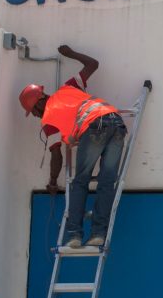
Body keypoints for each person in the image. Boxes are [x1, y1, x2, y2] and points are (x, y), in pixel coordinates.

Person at [19, 45, 127, 248]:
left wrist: (52, 181)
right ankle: (98, 234)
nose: (34, 115)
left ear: (40, 100)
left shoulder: (48, 121)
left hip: (95, 128)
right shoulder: (70, 87)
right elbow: (92, 64)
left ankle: (75, 235)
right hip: (117, 124)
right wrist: (71, 54)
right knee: (106, 182)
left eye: (33, 111)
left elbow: (56, 155)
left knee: (80, 183)